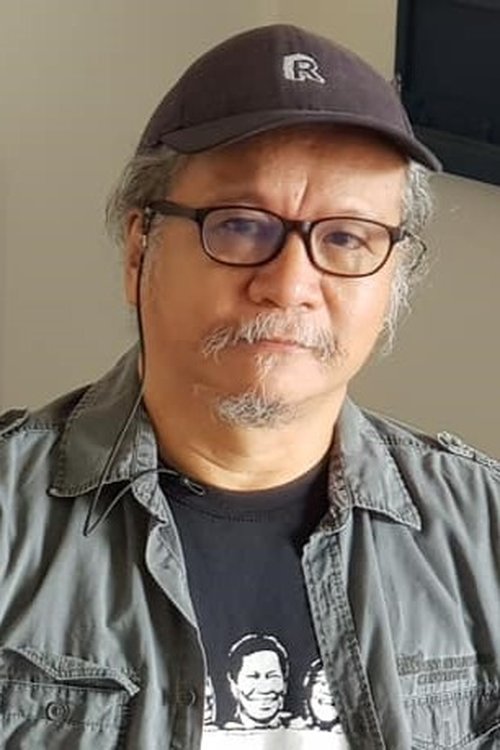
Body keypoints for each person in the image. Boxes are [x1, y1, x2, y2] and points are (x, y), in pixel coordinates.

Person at [0, 22, 498, 750]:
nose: (290, 284)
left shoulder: (485, 534)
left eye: (346, 238)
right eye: (239, 225)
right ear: (139, 251)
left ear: (394, 278)